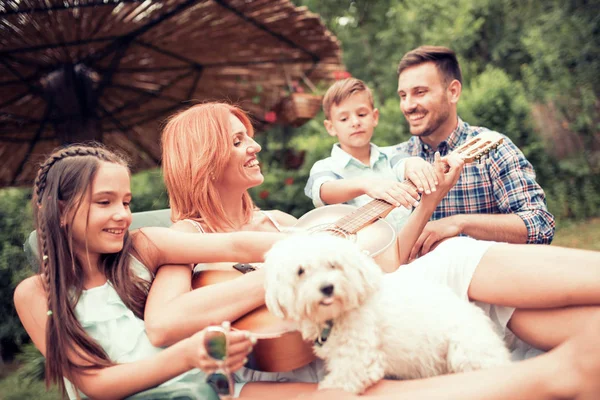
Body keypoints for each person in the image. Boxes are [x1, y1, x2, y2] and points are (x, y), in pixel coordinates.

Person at [156, 102, 600, 399]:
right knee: (454, 263)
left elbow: (386, 267)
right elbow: (164, 325)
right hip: (303, 356)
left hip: (376, 315)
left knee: (453, 257)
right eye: (237, 141)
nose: (254, 146)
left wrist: (429, 198)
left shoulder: (282, 222)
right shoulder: (184, 238)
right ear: (203, 158)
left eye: (248, 136)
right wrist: (280, 270)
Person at [13, 144, 291, 399]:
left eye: (125, 202)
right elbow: (96, 384)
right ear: (61, 210)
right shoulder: (36, 293)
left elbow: (235, 246)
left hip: (217, 388)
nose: (122, 215)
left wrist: (316, 243)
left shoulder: (143, 246)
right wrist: (190, 354)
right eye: (104, 202)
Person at [394, 45, 555, 258]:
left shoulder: (494, 148)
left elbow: (540, 225)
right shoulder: (395, 160)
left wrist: (459, 223)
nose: (408, 105)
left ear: (453, 92)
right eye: (403, 95)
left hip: (488, 287)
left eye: (420, 92)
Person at [304, 78, 427, 232]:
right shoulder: (325, 166)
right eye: (344, 119)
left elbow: (406, 164)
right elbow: (324, 191)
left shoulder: (391, 155)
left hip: (410, 246)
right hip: (364, 251)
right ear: (331, 127)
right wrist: (365, 184)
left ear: (374, 117)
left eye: (362, 114)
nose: (355, 122)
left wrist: (415, 162)